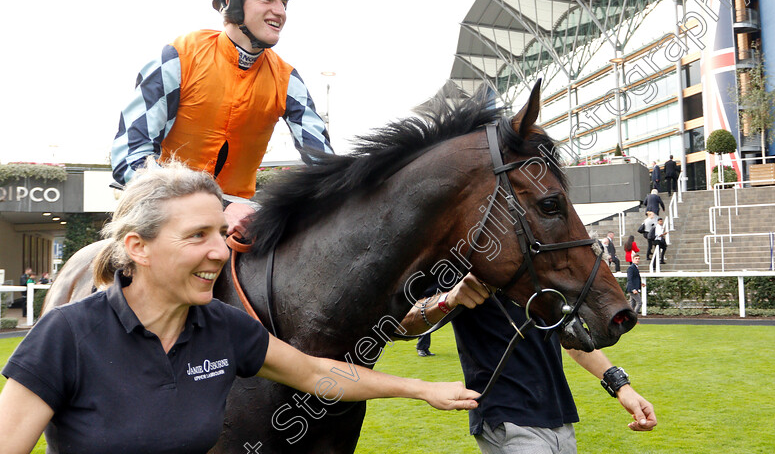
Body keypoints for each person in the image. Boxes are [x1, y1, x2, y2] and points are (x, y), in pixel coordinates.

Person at [0, 163, 478, 454]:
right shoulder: (65, 335)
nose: (220, 252)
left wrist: (419, 389)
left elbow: (316, 375)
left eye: (219, 233)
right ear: (138, 248)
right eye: (197, 236)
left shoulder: (223, 328)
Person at [111, 0, 332, 239]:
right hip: (161, 209)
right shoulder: (178, 56)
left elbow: (326, 168)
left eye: (284, 2)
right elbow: (129, 157)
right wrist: (217, 206)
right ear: (231, 0)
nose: (279, 11)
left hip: (239, 216)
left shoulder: (288, 79)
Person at [400, 275, 656, 453]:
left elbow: (570, 338)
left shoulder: (539, 264)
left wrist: (621, 386)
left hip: (560, 417)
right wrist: (449, 299)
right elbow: (403, 322)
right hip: (506, 418)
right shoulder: (461, 259)